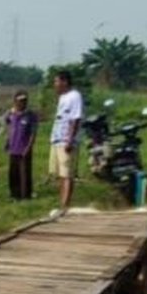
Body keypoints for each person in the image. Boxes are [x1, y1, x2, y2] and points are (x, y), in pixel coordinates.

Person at [48, 71, 84, 211]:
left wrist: (70, 140)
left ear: (65, 82)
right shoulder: (62, 97)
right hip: (57, 139)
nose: (55, 84)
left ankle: (65, 205)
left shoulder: (75, 96)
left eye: (56, 81)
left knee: (67, 173)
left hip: (66, 140)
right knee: (61, 175)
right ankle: (62, 204)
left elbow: (75, 119)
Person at [4, 90, 38, 199]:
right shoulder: (11, 114)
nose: (23, 103)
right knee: (13, 173)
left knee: (24, 173)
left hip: (24, 148)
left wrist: (28, 147)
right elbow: (8, 125)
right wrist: (7, 141)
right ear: (15, 101)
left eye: (25, 100)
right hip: (13, 148)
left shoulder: (31, 115)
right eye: (20, 101)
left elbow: (33, 133)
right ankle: (14, 195)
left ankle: (25, 195)